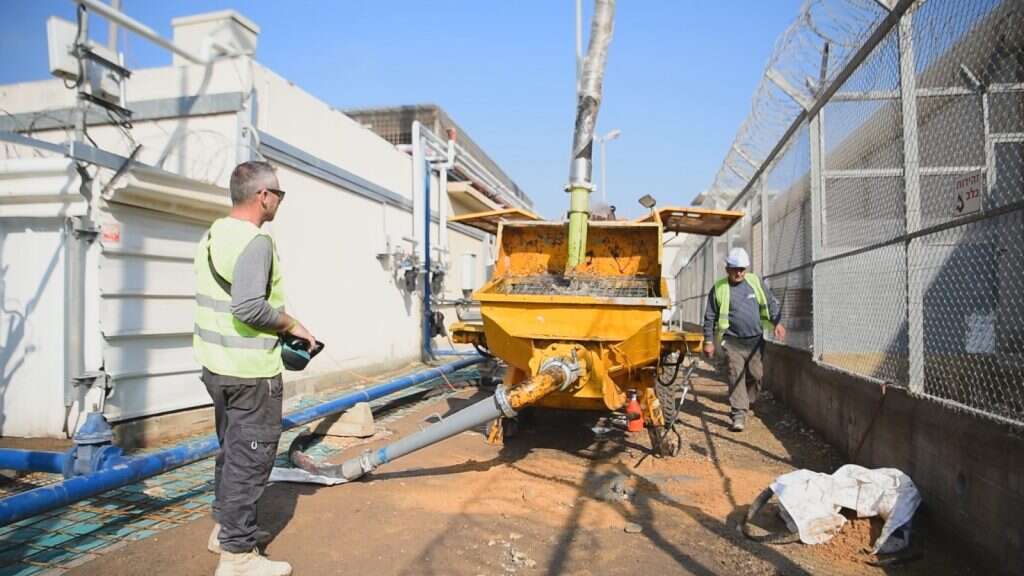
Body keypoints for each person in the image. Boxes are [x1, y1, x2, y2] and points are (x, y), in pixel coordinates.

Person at [193, 160, 316, 576]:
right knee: (251, 460)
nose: (280, 200)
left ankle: (226, 532)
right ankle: (238, 557)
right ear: (263, 196)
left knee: (231, 454)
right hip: (250, 374)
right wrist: (291, 324)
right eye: (278, 193)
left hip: (217, 367)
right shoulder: (256, 241)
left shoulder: (214, 234)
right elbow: (247, 306)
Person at [702, 247, 785, 432]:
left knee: (756, 375)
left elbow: (770, 302)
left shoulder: (755, 282)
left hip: (755, 342)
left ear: (746, 269)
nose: (738, 273)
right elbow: (709, 316)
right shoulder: (719, 288)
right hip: (732, 342)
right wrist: (708, 341)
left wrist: (777, 323)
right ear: (727, 269)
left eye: (742, 269)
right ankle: (738, 412)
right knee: (735, 375)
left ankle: (747, 401)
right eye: (734, 269)